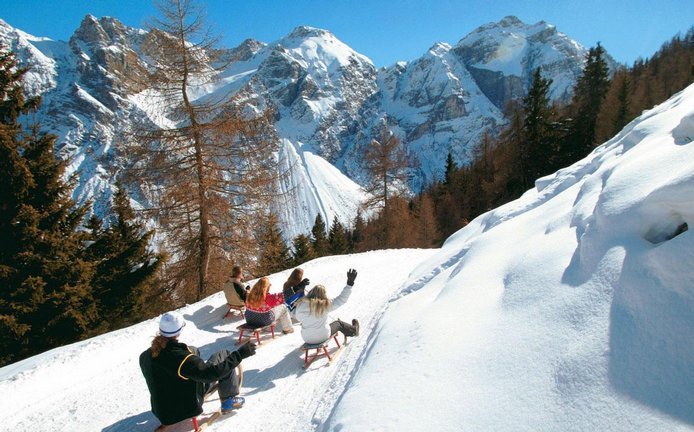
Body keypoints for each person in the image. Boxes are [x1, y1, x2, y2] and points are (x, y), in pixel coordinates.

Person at [139, 311, 256, 428]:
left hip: (162, 411)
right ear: (179, 331)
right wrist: (240, 354)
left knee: (193, 350)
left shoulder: (145, 356)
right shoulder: (181, 358)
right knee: (223, 355)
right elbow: (212, 374)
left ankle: (196, 372)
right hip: (185, 408)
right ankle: (229, 400)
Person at [293, 269, 360, 345]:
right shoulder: (324, 304)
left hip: (306, 338)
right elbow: (341, 299)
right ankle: (354, 330)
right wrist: (349, 284)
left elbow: (298, 318)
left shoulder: (300, 304)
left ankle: (352, 330)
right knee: (338, 323)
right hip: (323, 336)